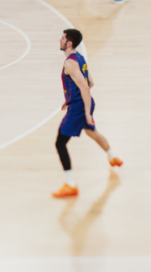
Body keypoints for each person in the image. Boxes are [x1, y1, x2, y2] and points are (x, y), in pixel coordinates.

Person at [53, 28, 123, 198]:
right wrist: (70, 98)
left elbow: (85, 87)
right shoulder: (80, 58)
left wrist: (86, 113)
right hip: (84, 103)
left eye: (62, 38)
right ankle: (113, 157)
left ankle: (71, 185)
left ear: (69, 43)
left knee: (60, 143)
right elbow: (90, 81)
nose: (60, 40)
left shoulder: (69, 63)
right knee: (92, 132)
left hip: (79, 108)